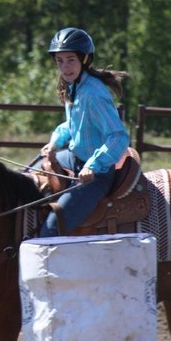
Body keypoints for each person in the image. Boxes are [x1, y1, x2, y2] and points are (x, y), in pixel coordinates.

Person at [38, 27, 130, 237]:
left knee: (53, 226)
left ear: (85, 59)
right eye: (59, 61)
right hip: (74, 158)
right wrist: (53, 143)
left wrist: (93, 165)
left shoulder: (93, 94)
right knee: (30, 172)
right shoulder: (75, 86)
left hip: (98, 172)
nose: (65, 67)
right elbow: (72, 126)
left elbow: (118, 136)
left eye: (70, 59)